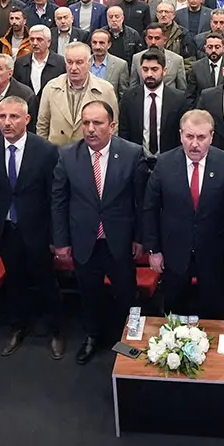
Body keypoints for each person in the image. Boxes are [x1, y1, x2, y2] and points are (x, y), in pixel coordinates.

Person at [51, 101, 148, 366]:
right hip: (84, 240)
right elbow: (59, 201)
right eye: (86, 123)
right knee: (89, 293)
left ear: (112, 126)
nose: (91, 129)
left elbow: (141, 202)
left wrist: (140, 238)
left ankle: (129, 341)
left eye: (98, 123)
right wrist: (61, 241)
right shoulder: (67, 155)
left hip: (120, 240)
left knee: (126, 294)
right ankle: (92, 336)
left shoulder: (131, 154)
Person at [0, 95, 63, 359]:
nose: (7, 122)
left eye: (13, 117)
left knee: (46, 282)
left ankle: (55, 330)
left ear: (27, 119)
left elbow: (55, 197)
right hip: (5, 229)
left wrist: (56, 236)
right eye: (2, 116)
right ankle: (18, 327)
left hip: (38, 229)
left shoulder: (46, 150)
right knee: (15, 282)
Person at [143, 110, 224, 319]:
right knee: (174, 315)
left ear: (212, 136)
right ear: (180, 135)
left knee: (215, 314)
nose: (194, 144)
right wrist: (154, 250)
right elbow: (149, 208)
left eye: (201, 137)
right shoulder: (164, 163)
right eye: (189, 136)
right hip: (174, 254)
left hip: (214, 254)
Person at [36, 41, 119, 146]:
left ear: (89, 62)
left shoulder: (105, 90)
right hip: (57, 152)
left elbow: (113, 128)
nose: (73, 68)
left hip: (90, 152)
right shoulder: (51, 88)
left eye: (79, 62)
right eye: (70, 62)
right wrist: (44, 151)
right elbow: (42, 126)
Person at [119, 49, 185, 162]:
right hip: (137, 160)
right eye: (145, 69)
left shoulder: (178, 99)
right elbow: (124, 132)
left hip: (169, 160)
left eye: (154, 69)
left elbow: (180, 134)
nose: (149, 74)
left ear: (164, 71)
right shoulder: (129, 97)